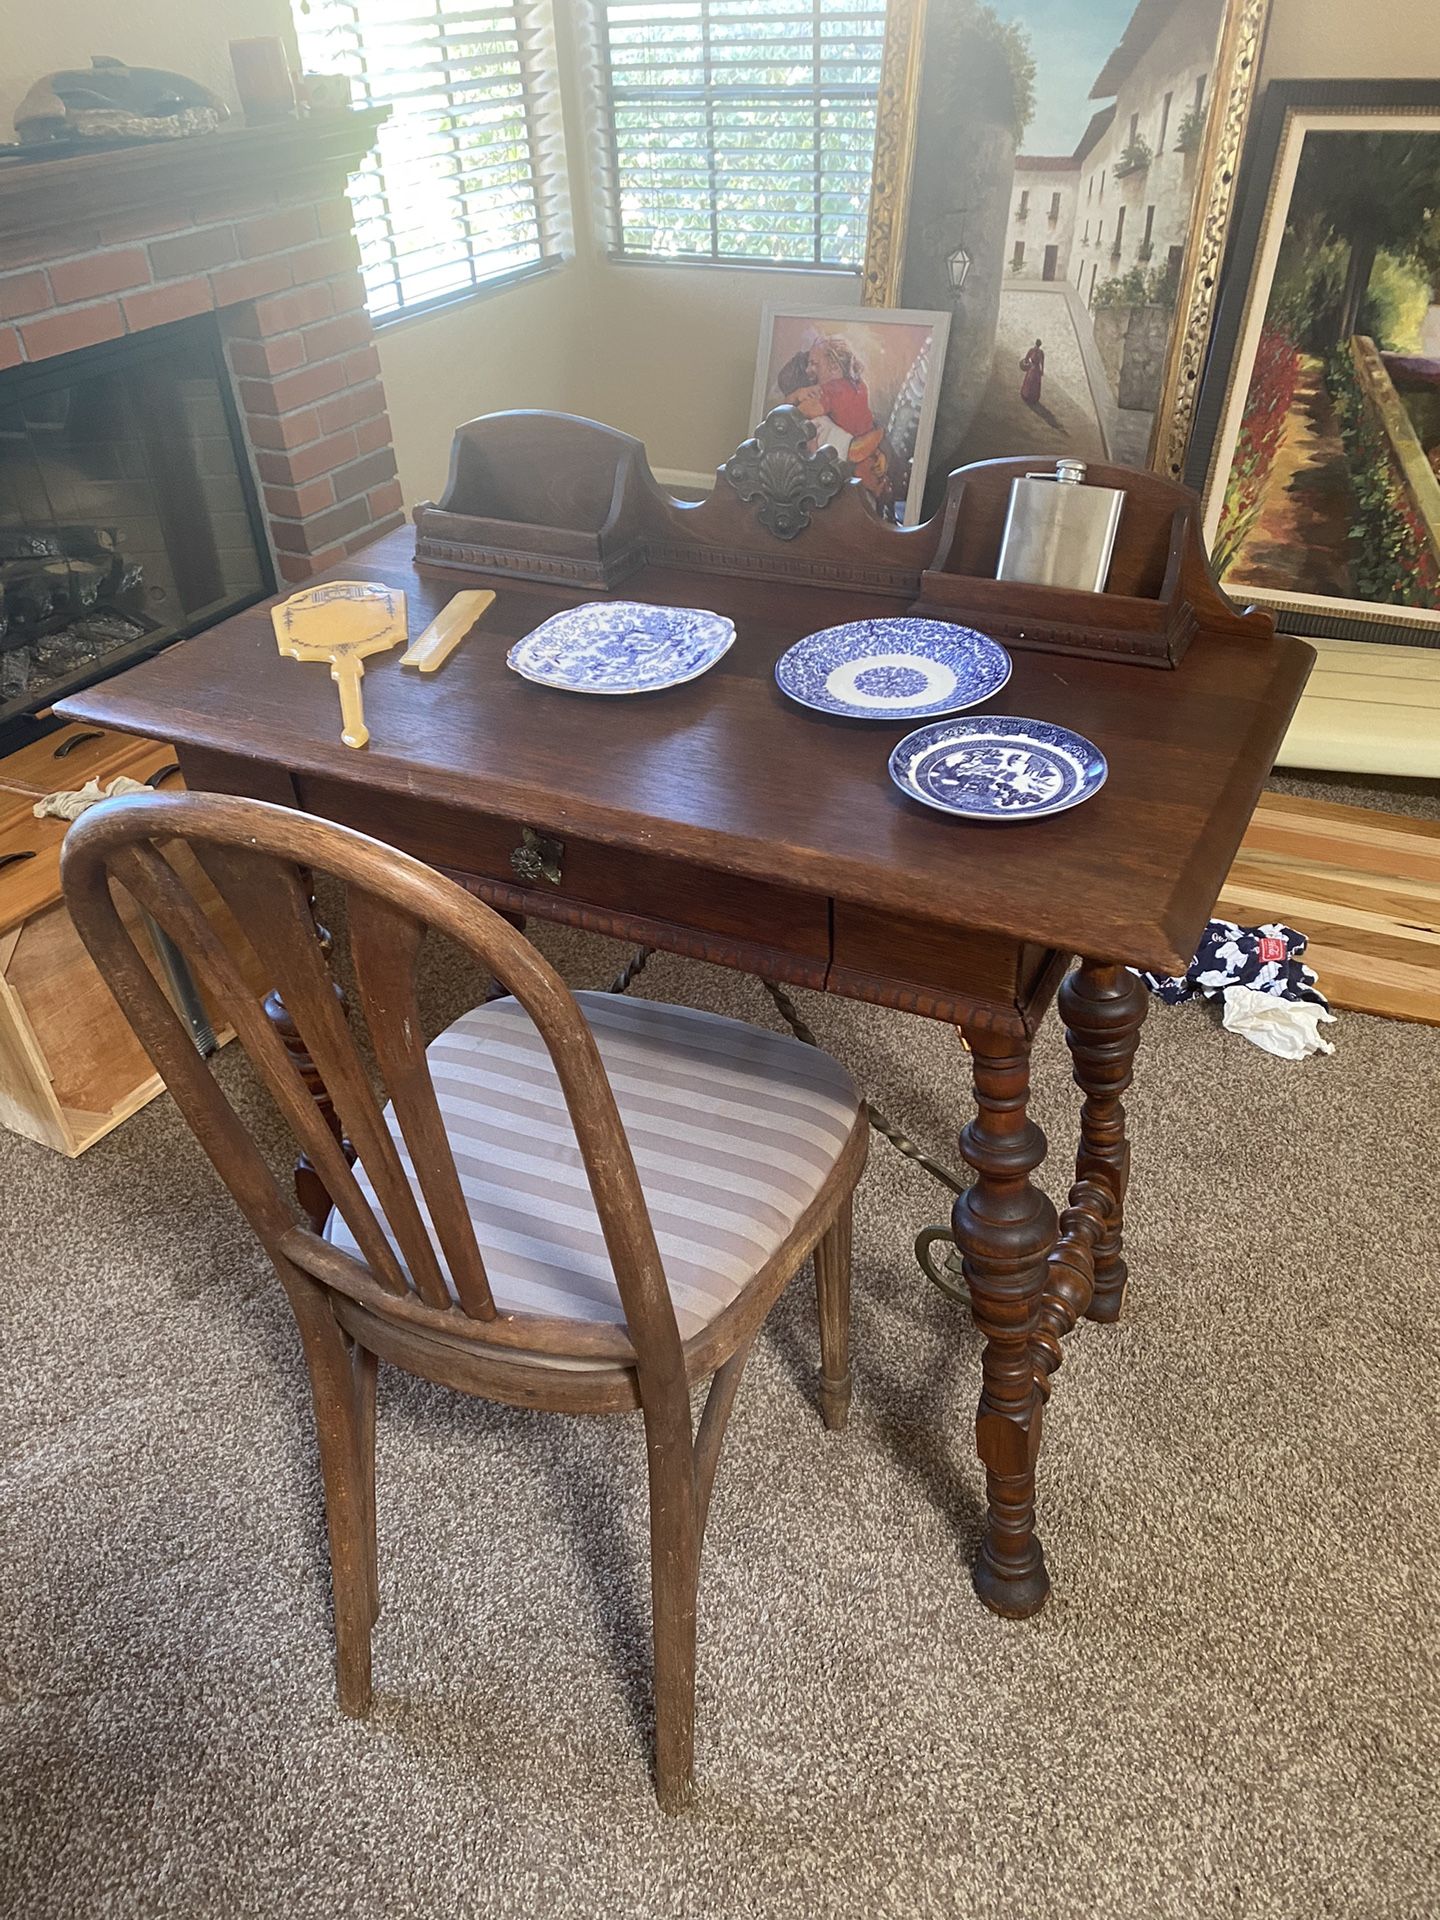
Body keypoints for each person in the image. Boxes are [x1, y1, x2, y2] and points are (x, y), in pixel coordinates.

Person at [1020, 338, 1045, 408]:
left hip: (1034, 368)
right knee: (1032, 382)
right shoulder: (1037, 351)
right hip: (1035, 368)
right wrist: (1042, 370)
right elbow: (1027, 358)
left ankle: (1029, 396)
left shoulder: (1035, 351)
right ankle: (1029, 396)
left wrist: (1027, 363)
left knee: (1033, 382)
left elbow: (1026, 359)